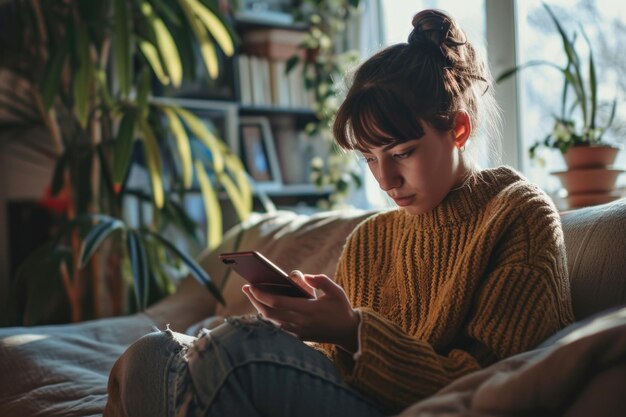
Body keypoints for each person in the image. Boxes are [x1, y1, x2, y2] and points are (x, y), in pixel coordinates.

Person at [104, 9, 574, 417]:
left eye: (402, 152)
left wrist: (353, 332)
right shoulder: (372, 238)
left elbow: (491, 387)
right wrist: (306, 331)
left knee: (238, 352)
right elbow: (327, 374)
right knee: (149, 355)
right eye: (369, 158)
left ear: (459, 128)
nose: (385, 179)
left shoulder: (519, 216)